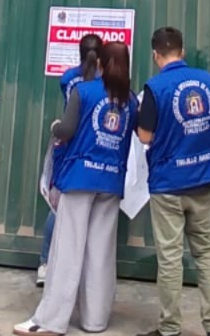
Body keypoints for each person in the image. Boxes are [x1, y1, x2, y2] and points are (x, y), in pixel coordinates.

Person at [14, 40, 136, 336]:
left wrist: (55, 126)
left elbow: (66, 130)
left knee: (67, 248)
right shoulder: (131, 101)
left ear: (101, 64)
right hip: (111, 181)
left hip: (81, 177)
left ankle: (50, 321)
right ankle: (95, 320)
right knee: (101, 252)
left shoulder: (84, 91)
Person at [134, 27, 210, 336]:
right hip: (202, 178)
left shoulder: (155, 88)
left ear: (155, 55)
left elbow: (144, 136)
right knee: (206, 252)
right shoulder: (206, 80)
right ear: (182, 51)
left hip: (168, 184)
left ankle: (170, 328)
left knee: (171, 258)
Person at [38, 33, 104, 285]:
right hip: (92, 147)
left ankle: (45, 263)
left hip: (67, 147)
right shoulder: (102, 82)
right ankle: (84, 269)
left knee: (58, 206)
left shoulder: (68, 78)